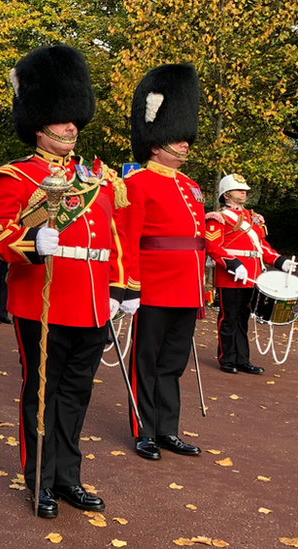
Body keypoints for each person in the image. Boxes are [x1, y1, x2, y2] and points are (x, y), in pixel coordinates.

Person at [0, 45, 128, 518]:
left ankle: (68, 478)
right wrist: (29, 244)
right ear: (39, 123)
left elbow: (114, 238)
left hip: (89, 302)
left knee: (77, 395)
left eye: (73, 119)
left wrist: (120, 290)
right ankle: (39, 478)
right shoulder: (15, 177)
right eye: (62, 119)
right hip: (41, 302)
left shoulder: (98, 179)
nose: (71, 127)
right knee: (41, 394)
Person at [119, 63, 206, 462]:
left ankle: (168, 429)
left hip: (186, 287)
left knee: (173, 363)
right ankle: (145, 429)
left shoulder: (191, 186)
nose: (185, 144)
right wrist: (129, 287)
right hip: (152, 286)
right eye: (176, 137)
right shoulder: (136, 184)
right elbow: (129, 240)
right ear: (156, 142)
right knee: (147, 362)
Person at [204, 174, 295, 374]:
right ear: (227, 195)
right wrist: (234, 265)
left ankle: (242, 359)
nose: (244, 192)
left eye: (244, 189)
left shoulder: (252, 218)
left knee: (243, 318)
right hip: (231, 276)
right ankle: (226, 358)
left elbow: (262, 247)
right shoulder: (217, 218)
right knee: (229, 318)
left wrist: (281, 261)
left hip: (253, 276)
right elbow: (213, 247)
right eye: (239, 189)